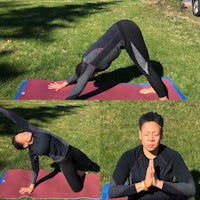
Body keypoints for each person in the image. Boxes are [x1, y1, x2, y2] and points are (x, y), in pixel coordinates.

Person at [48, 19, 168, 100]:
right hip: (121, 28)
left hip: (127, 32)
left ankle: (163, 98)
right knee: (144, 64)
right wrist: (63, 84)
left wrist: (64, 102)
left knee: (145, 66)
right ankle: (155, 85)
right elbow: (78, 73)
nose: (91, 77)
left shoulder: (89, 65)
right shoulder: (85, 60)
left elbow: (78, 89)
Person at [0, 106, 100, 194]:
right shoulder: (33, 151)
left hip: (71, 150)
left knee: (92, 165)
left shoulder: (34, 131)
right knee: (77, 189)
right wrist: (31, 186)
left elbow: (14, 117)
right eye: (22, 136)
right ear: (25, 144)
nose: (24, 133)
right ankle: (80, 173)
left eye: (21, 133)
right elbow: (35, 168)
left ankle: (94, 169)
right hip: (63, 161)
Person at [108, 112, 196, 200]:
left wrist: (158, 183)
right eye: (146, 134)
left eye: (155, 134)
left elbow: (190, 189)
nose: (151, 139)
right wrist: (144, 184)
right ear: (140, 134)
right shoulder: (129, 157)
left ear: (161, 134)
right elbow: (113, 191)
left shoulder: (172, 156)